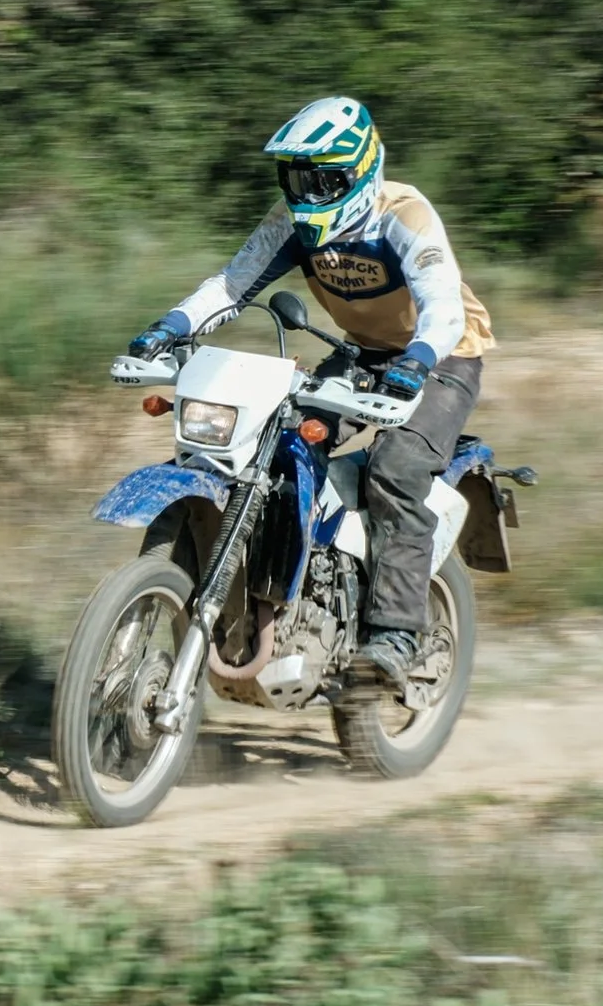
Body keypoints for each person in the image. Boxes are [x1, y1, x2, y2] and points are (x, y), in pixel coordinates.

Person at [122, 96, 494, 689]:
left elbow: (444, 309)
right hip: (362, 354)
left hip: (442, 357)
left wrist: (418, 361)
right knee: (278, 444)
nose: (307, 194)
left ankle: (394, 635)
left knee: (396, 469)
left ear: (360, 170)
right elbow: (232, 284)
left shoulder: (403, 214)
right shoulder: (292, 222)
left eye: (322, 180)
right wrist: (170, 327)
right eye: (296, 178)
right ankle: (290, 590)